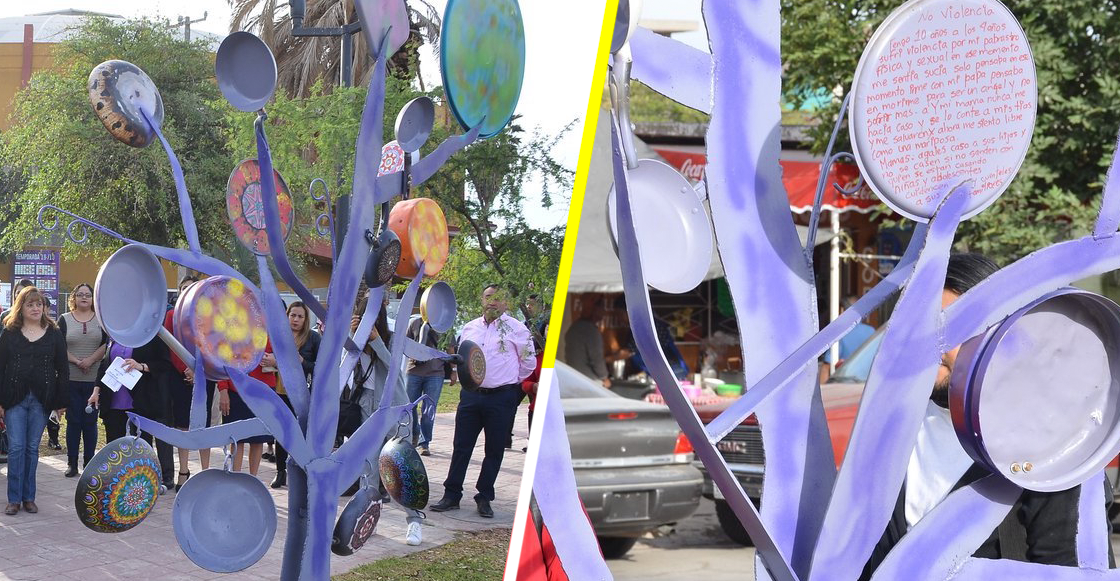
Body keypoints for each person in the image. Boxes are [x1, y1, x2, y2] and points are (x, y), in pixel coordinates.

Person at [859, 253, 1113, 578]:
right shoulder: (888, 431)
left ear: (999, 333)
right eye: (918, 327)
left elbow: (1072, 569)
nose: (929, 344)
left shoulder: (1049, 451)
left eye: (952, 328)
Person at [430, 283, 536, 518]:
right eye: (488, 297)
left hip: (501, 397)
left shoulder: (517, 329)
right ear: (482, 300)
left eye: (498, 298)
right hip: (471, 396)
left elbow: (529, 364)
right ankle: (452, 494)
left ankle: (484, 496)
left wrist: (508, 383)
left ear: (506, 302)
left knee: (495, 448)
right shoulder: (469, 328)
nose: (492, 301)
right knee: (461, 446)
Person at [347, 293, 425, 546]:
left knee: (400, 466)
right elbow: (345, 366)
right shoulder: (356, 338)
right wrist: (352, 337)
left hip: (394, 405)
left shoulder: (391, 335)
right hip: (366, 404)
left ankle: (414, 522)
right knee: (368, 467)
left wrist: (377, 341)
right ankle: (367, 518)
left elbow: (395, 370)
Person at [0, 286, 68, 515]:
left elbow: (62, 369)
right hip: (13, 398)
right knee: (16, 448)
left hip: (42, 399)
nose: (35, 308)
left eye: (39, 304)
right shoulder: (9, 332)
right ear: (21, 307)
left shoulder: (54, 332)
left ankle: (29, 497)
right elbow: (1, 367)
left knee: (31, 448)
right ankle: (14, 499)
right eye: (30, 304)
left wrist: (60, 402)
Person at [90, 333, 177, 489]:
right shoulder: (114, 336)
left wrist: (141, 366)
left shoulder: (151, 336)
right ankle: (117, 480)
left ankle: (145, 481)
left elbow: (165, 364)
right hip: (114, 402)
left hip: (140, 402)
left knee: (141, 447)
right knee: (115, 446)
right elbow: (104, 365)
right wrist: (96, 390)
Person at [162, 275, 217, 489]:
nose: (187, 292)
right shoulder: (170, 315)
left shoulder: (209, 317)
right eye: (183, 288)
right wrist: (186, 368)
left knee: (204, 426)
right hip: (179, 375)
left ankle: (205, 472)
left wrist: (199, 371)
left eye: (192, 288)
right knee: (182, 425)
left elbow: (212, 346)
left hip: (205, 376)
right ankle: (183, 471)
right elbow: (171, 346)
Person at [58, 283, 107, 477]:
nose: (84, 298)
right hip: (71, 378)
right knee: (73, 422)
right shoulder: (65, 319)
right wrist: (77, 361)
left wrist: (91, 360)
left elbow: (107, 344)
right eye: (80, 295)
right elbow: (59, 346)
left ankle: (89, 463)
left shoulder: (102, 320)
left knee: (90, 422)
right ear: (74, 298)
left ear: (93, 298)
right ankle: (71, 463)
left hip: (94, 381)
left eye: (87, 295)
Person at [272, 300, 319, 488]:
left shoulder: (313, 338)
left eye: (300, 316)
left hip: (301, 395)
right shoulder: (278, 336)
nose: (296, 319)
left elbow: (320, 368)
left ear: (306, 319)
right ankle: (280, 472)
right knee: (281, 433)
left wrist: (302, 361)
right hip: (279, 391)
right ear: (287, 316)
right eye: (293, 315)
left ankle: (301, 472)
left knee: (299, 434)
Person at [217, 339, 276, 476]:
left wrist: (276, 360)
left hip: (262, 389)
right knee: (236, 439)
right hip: (235, 389)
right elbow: (221, 358)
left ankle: (253, 480)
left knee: (258, 439)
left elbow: (284, 354)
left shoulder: (270, 326)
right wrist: (223, 388)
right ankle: (235, 479)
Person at [405, 311, 446, 456]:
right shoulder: (414, 323)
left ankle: (424, 442)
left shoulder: (444, 325)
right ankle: (415, 433)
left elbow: (450, 348)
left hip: (435, 373)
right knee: (409, 406)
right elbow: (406, 344)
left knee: (429, 410)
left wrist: (453, 370)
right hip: (414, 371)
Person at [818, 296, 876, 384]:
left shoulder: (841, 333)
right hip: (868, 384)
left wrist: (822, 393)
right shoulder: (871, 331)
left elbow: (826, 367)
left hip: (846, 385)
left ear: (842, 310)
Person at [565, 299, 611, 387]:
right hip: (589, 381)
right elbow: (597, 359)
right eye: (602, 308)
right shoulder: (591, 330)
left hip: (572, 377)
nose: (604, 312)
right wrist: (605, 378)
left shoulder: (573, 327)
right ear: (595, 309)